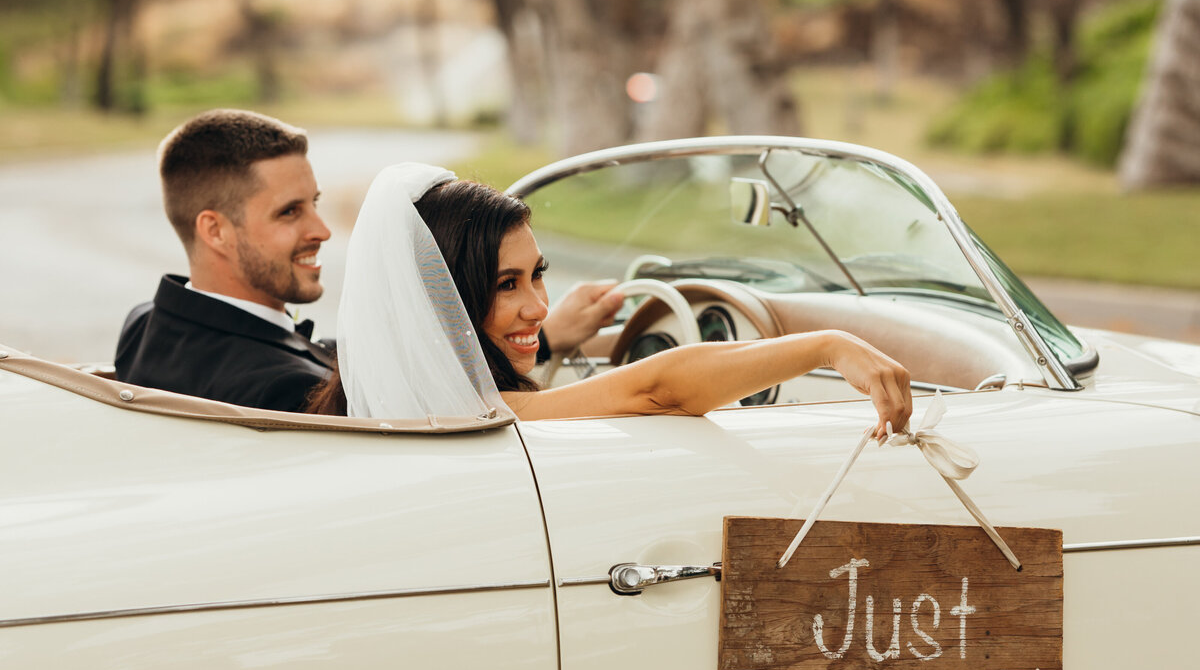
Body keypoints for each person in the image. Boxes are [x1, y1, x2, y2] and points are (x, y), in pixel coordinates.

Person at [308, 163, 913, 434]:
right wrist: (829, 347)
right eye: (505, 286)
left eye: (536, 275)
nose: (538, 307)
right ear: (450, 303)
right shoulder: (473, 418)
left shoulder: (392, 399)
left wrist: (553, 343)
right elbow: (657, 390)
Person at [116, 111, 621, 412]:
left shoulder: (149, 325)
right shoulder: (284, 392)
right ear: (215, 230)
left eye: (314, 202)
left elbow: (331, 350)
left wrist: (546, 335)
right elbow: (373, 378)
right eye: (290, 212)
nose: (322, 230)